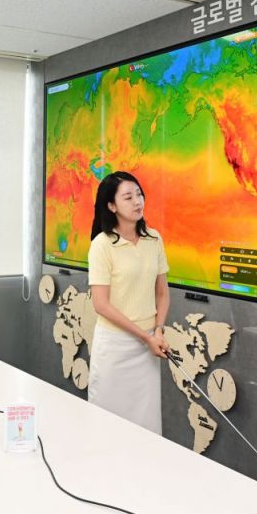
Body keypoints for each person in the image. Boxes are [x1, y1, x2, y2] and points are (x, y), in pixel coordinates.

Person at [87, 171, 170, 434]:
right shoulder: (102, 245)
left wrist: (158, 330)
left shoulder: (154, 239)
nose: (137, 201)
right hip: (115, 347)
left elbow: (162, 293)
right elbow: (101, 305)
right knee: (107, 425)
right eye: (128, 197)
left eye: (139, 194)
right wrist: (145, 337)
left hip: (147, 348)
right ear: (111, 206)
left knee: (146, 425)